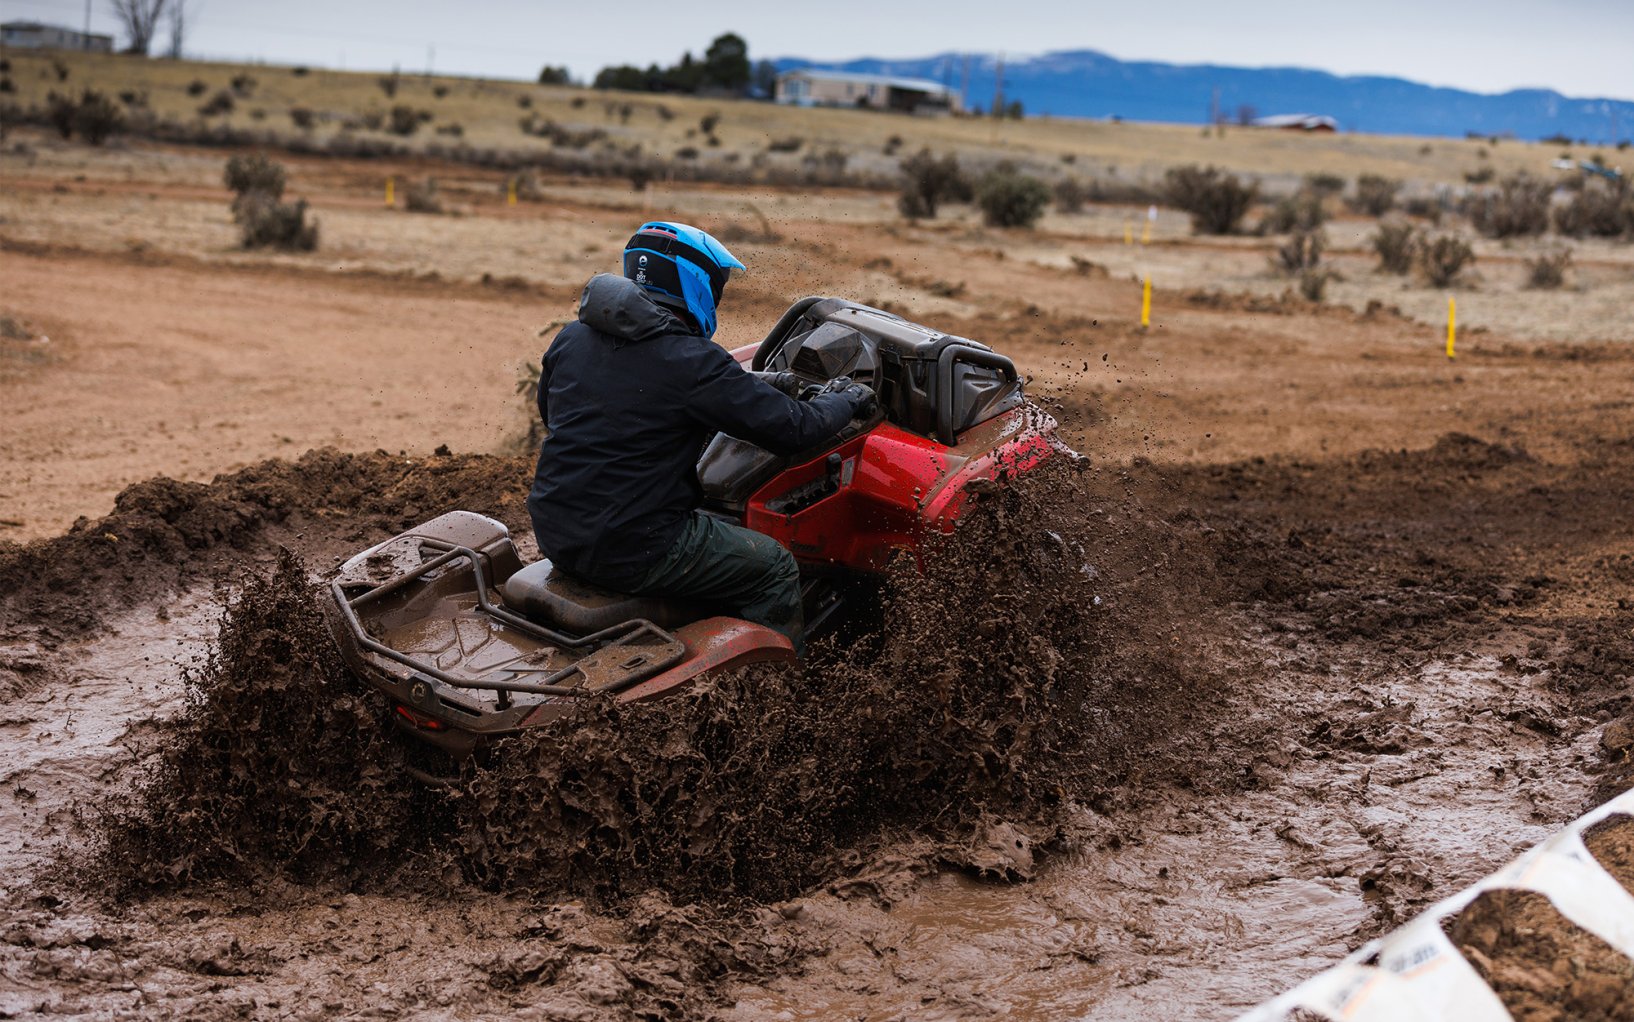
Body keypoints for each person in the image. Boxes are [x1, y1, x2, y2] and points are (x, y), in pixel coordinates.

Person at [526, 221, 873, 656]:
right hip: (634, 547)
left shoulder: (573, 337)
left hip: (557, 529)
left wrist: (771, 383)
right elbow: (795, 430)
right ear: (694, 282)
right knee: (773, 566)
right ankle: (775, 689)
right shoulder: (688, 359)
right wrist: (845, 400)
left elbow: (556, 412)